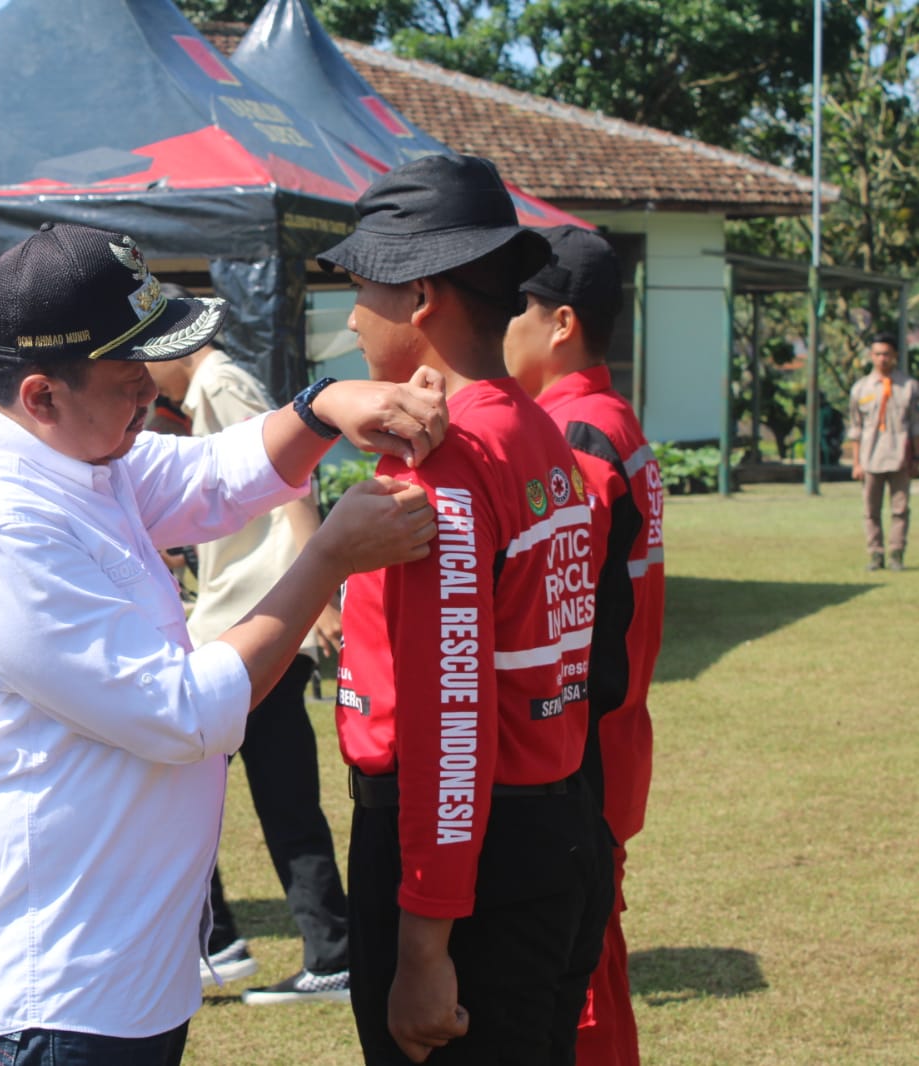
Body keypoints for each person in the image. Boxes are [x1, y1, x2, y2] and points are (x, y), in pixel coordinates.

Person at [0, 221, 449, 1066]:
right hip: (51, 995)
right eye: (129, 382)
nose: (147, 399)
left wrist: (321, 407)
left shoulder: (73, 454)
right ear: (42, 394)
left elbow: (210, 476)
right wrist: (327, 559)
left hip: (116, 972)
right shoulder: (0, 526)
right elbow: (183, 712)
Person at [320, 154, 614, 1066]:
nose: (350, 317)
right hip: (552, 834)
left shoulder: (446, 462)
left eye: (361, 287)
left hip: (465, 866)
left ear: (420, 298)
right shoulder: (534, 431)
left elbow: (451, 719)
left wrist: (423, 946)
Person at [146, 285, 350, 1006]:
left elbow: (289, 478)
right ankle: (299, 949)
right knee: (272, 793)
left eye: (145, 361)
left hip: (252, 623)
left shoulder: (219, 383)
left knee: (182, 784)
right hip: (250, 619)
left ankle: (233, 944)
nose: (144, 379)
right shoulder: (210, 388)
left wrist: (322, 591)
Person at [504, 225, 666, 1066]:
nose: (499, 327)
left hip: (582, 752)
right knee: (593, 959)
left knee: (578, 992)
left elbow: (554, 611)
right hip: (611, 740)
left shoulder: (575, 435)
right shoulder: (609, 419)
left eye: (513, 309)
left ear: (560, 323)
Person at [846, 331, 919, 571]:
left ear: (895, 355)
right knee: (871, 510)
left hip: (900, 458)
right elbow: (856, 429)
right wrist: (856, 463)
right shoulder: (860, 389)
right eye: (877, 354)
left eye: (886, 354)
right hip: (870, 458)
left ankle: (897, 554)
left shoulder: (909, 387)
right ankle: (876, 554)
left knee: (900, 509)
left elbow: (916, 427)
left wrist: (916, 458)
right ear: (871, 355)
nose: (882, 359)